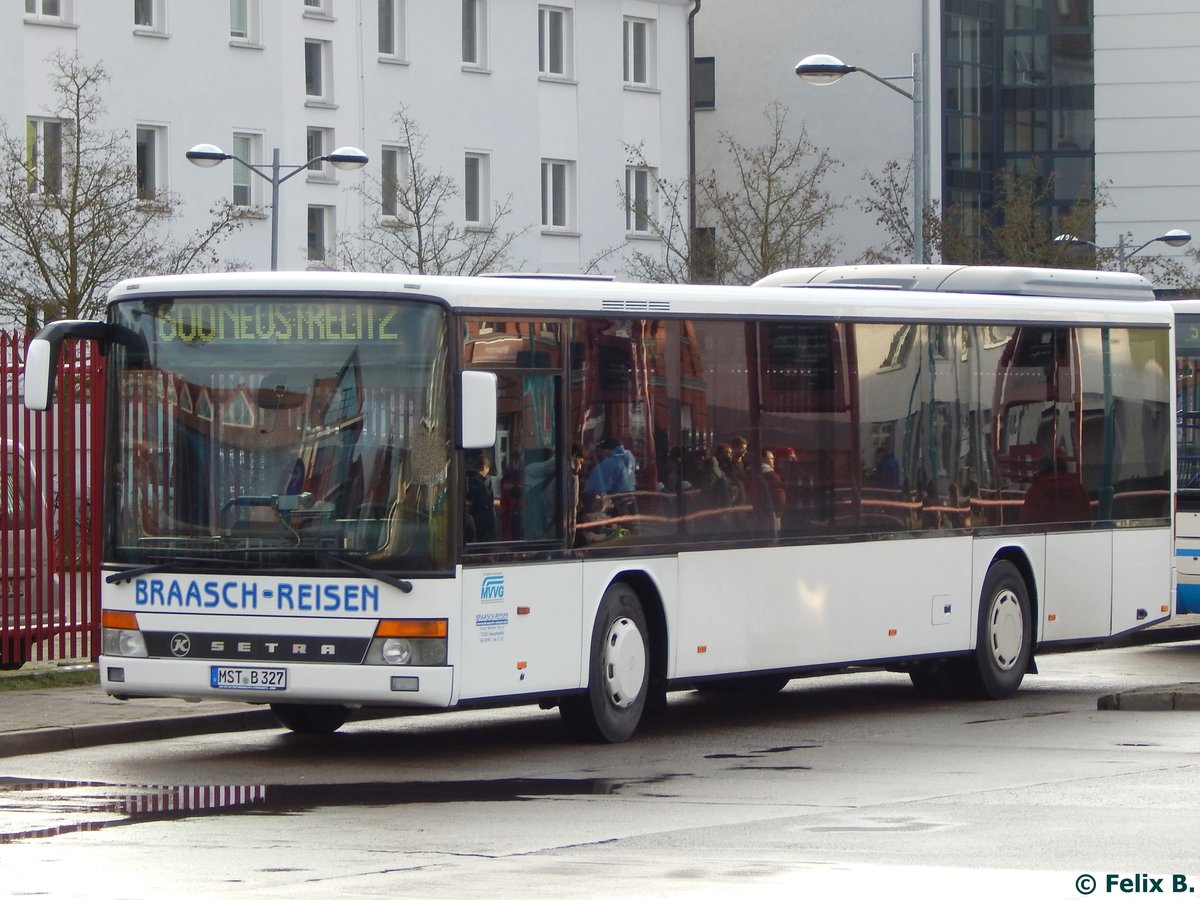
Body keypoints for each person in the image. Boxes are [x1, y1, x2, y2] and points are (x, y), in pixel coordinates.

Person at [1020, 456, 1091, 524]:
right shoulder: (1078, 487)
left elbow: (1027, 521)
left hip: (1043, 533)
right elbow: (1088, 516)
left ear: (1040, 471)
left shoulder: (1034, 491)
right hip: (1077, 533)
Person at [465, 451, 497, 542]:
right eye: (488, 470)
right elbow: (484, 502)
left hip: (470, 522)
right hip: (482, 523)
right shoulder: (480, 483)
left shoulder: (465, 478)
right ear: (484, 468)